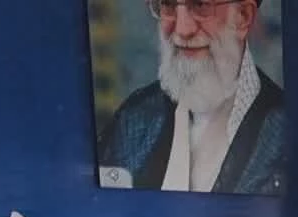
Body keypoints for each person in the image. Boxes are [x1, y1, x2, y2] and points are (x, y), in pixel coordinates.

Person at [96, 0, 285, 194]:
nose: (183, 30)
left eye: (200, 5)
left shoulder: (291, 139)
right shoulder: (134, 121)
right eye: (168, 5)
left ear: (242, 16)